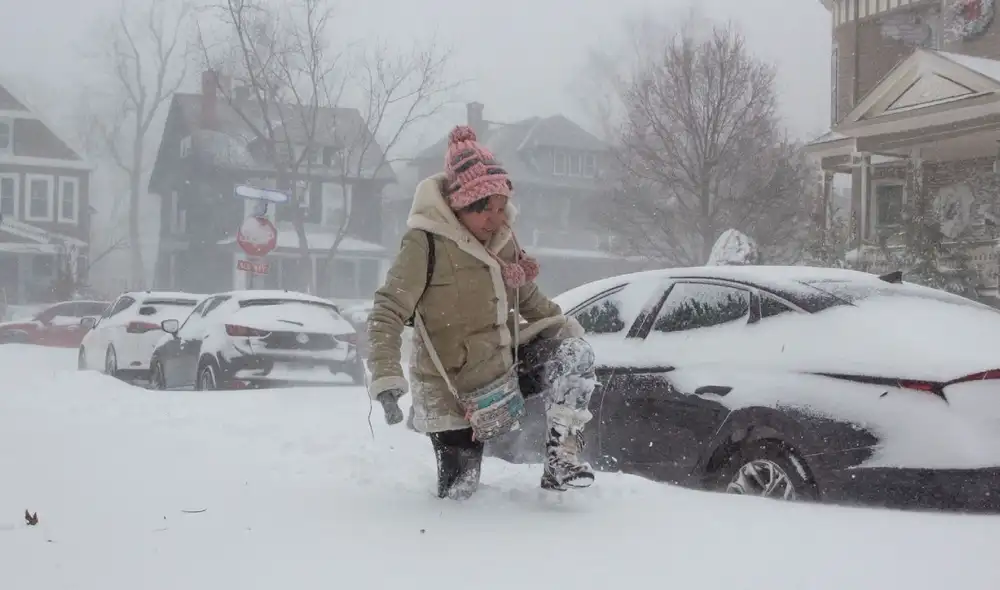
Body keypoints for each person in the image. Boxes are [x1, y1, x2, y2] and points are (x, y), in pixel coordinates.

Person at [365, 125, 598, 500]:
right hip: (452, 389)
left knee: (573, 352)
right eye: (484, 208)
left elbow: (531, 301)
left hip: (502, 371)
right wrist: (387, 378)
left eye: (500, 206)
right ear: (460, 205)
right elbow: (387, 310)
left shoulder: (502, 243)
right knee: (461, 495)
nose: (496, 218)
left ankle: (562, 460)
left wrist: (574, 334)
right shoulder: (425, 243)